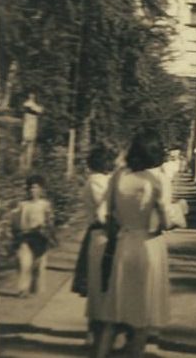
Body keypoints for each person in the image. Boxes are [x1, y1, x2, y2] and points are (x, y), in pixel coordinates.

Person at [93, 133, 182, 358]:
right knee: (142, 316)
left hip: (123, 244)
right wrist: (180, 211)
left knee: (114, 313)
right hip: (149, 246)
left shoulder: (118, 176)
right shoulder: (158, 179)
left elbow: (104, 214)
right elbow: (165, 221)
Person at [72, 147, 113, 346]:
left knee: (102, 285)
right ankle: (94, 333)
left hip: (104, 233)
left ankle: (97, 332)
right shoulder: (97, 181)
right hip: (100, 232)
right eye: (109, 160)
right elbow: (103, 213)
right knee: (98, 285)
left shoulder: (102, 180)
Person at [12, 174, 56, 297]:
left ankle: (35, 287)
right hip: (25, 236)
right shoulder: (22, 204)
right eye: (31, 188)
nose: (33, 190)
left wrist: (49, 231)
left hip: (40, 237)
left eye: (36, 188)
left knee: (38, 264)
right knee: (24, 263)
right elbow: (15, 220)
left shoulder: (45, 204)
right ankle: (23, 289)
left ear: (41, 189)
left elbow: (50, 221)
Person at [20, 93, 44, 172]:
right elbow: (35, 110)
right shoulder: (27, 105)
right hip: (28, 123)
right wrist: (37, 109)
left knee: (31, 143)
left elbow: (40, 111)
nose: (32, 97)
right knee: (26, 141)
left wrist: (38, 109)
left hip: (33, 123)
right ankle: (23, 164)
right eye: (31, 96)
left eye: (33, 96)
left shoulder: (34, 106)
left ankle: (28, 165)